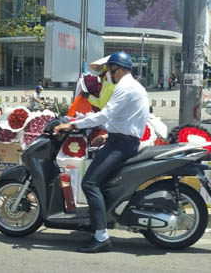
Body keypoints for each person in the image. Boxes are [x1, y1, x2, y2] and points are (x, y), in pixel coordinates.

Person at [53, 52, 149, 253]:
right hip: (119, 140)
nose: (107, 75)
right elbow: (121, 119)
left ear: (117, 68)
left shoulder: (125, 87)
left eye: (109, 70)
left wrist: (72, 125)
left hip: (121, 144)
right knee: (101, 182)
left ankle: (102, 236)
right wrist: (104, 133)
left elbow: (105, 114)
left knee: (89, 183)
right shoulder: (133, 86)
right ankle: (96, 221)